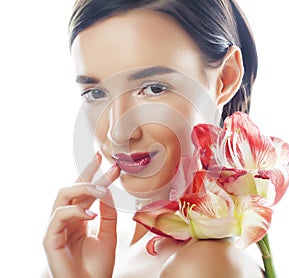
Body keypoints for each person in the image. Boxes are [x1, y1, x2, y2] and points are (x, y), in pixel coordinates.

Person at [43, 0, 263, 277]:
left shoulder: (205, 264)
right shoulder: (99, 247)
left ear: (226, 78)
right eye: (95, 93)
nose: (118, 133)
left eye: (154, 88)